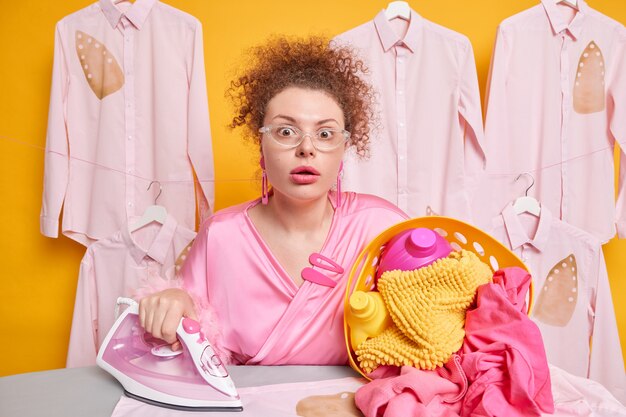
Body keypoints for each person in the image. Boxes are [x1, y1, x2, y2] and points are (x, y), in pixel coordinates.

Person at [138, 36, 408, 365]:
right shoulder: (221, 235)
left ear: (344, 149)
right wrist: (173, 302)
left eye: (325, 134)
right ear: (260, 146)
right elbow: (190, 343)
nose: (306, 148)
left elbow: (430, 319)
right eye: (285, 132)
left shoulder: (382, 226)